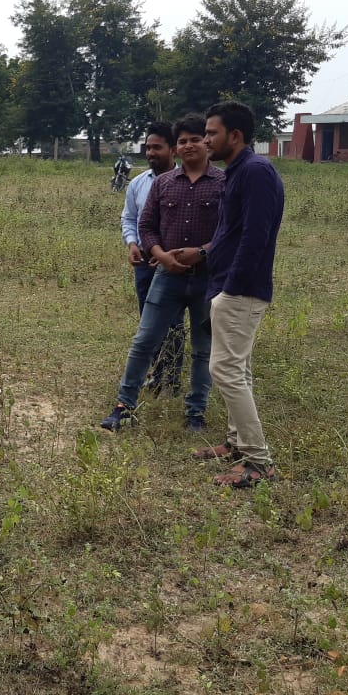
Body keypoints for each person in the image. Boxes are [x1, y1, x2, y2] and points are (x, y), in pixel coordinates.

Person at [168, 101, 285, 488]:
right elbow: (228, 234)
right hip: (228, 285)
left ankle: (259, 462)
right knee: (238, 368)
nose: (205, 140)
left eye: (211, 133)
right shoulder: (239, 172)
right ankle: (237, 444)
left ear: (235, 135)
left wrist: (231, 287)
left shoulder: (255, 171)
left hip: (242, 288)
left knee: (226, 370)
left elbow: (255, 236)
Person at [101, 114, 225, 433]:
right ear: (176, 147)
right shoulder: (163, 183)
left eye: (195, 139)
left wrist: (201, 252)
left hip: (207, 278)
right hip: (166, 277)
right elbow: (146, 225)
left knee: (202, 349)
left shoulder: (224, 184)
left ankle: (195, 412)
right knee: (144, 341)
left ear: (207, 143)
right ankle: (124, 406)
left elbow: (230, 231)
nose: (188, 146)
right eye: (182, 141)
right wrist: (160, 255)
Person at [122, 123, 184, 396]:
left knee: (173, 322)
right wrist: (132, 243)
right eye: (148, 147)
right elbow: (130, 218)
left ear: (173, 150)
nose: (150, 153)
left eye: (157, 147)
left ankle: (171, 379)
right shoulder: (138, 183)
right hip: (144, 264)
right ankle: (157, 375)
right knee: (148, 323)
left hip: (172, 264)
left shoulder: (185, 183)